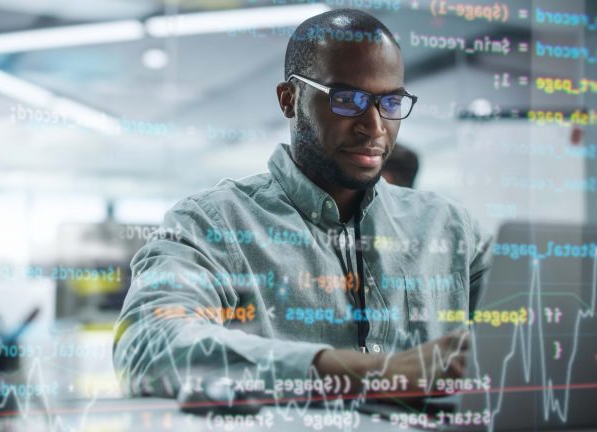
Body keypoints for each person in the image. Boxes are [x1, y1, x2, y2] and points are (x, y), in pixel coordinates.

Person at [113, 9, 490, 400]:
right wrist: (378, 373)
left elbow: (537, 343)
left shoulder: (451, 228)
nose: (375, 126)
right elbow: (147, 347)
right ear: (289, 99)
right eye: (347, 100)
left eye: (390, 103)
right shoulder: (211, 225)